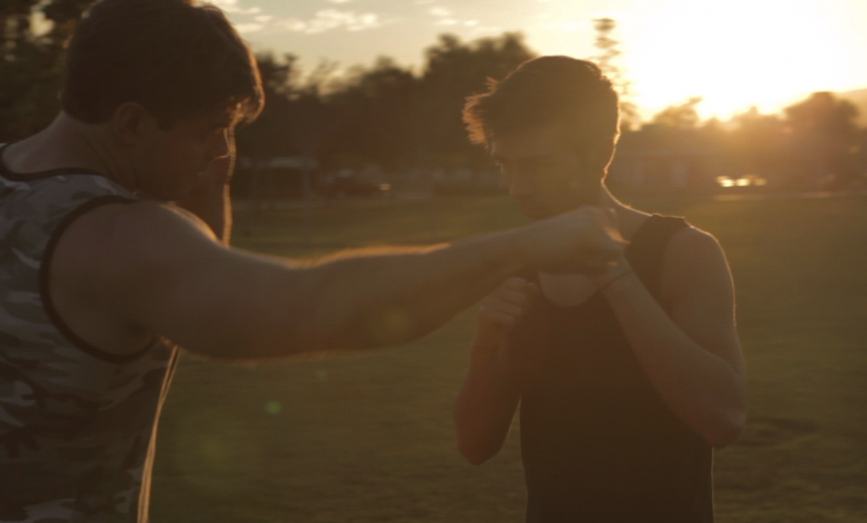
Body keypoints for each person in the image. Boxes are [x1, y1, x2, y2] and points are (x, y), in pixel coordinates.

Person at [0, 3, 626, 521]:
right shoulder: (118, 235)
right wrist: (526, 244)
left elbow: (197, 284)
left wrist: (202, 177)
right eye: (210, 128)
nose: (221, 151)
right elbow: (306, 307)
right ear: (131, 123)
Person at [453, 56, 747, 522]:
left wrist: (616, 277)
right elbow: (475, 445)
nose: (516, 188)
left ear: (600, 153)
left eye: (538, 164)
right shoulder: (521, 266)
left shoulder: (682, 252)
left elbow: (723, 419)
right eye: (504, 164)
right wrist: (484, 348)